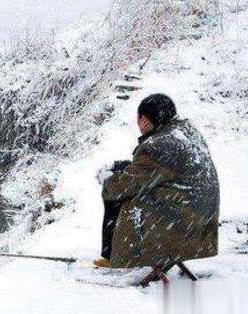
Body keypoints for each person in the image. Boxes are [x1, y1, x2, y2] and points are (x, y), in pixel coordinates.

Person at [94, 94, 220, 269]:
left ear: (144, 119)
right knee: (121, 186)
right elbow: (158, 169)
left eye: (139, 118)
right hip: (200, 219)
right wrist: (121, 166)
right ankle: (111, 254)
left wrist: (107, 180)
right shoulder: (184, 132)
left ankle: (112, 256)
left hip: (183, 224)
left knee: (116, 197)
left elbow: (125, 186)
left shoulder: (159, 144)